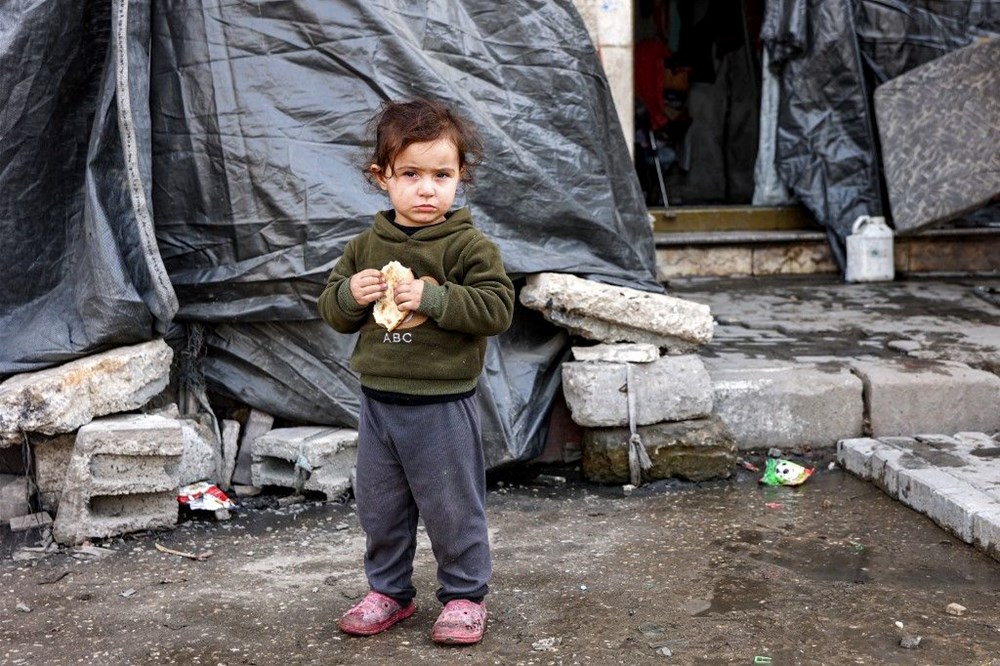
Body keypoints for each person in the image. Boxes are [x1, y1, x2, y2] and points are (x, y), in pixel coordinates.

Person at [317, 98, 514, 646]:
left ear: (460, 178)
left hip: (442, 404)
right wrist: (349, 294)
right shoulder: (366, 245)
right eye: (411, 174)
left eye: (441, 175)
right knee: (380, 510)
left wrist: (436, 298)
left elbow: (497, 308)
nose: (427, 189)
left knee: (453, 509)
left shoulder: (468, 245)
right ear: (382, 178)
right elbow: (332, 311)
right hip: (379, 402)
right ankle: (390, 592)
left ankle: (464, 597)